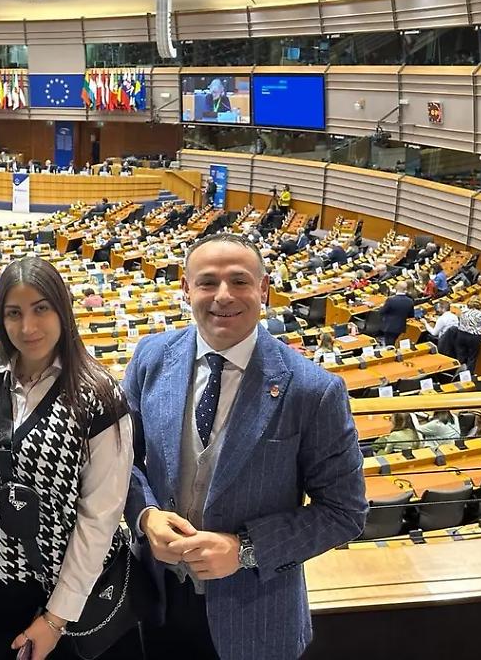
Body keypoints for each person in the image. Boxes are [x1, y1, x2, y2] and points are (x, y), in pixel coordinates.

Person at [123, 233, 366, 660]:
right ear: (185, 289)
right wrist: (146, 515)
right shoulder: (151, 357)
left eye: (239, 281)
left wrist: (245, 549)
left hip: (255, 615)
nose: (222, 296)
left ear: (264, 289)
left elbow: (345, 513)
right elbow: (121, 462)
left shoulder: (313, 390)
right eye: (207, 282)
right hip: (156, 600)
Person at [0, 255, 132, 660]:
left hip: (60, 593)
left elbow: (99, 517)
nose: (27, 328)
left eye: (40, 309)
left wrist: (56, 618)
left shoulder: (99, 397)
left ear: (62, 309)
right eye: (14, 313)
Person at [378, 281, 416, 346]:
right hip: (401, 327)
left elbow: (382, 312)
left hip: (390, 327)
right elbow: (411, 315)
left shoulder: (390, 300)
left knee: (389, 347)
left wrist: (381, 306)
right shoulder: (410, 301)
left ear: (396, 288)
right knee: (398, 345)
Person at [452, 305, 481, 374]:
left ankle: (457, 374)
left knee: (460, 356)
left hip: (461, 335)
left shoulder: (463, 311)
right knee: (472, 358)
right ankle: (468, 376)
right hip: (473, 337)